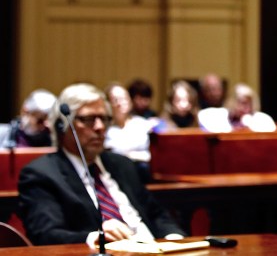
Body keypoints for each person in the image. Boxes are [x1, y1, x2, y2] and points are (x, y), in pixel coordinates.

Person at [17, 83, 186, 246]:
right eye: (89, 119)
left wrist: (174, 238)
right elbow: (46, 235)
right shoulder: (42, 174)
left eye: (104, 119)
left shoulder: (121, 164)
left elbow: (156, 214)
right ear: (62, 126)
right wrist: (96, 237)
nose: (99, 127)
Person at [104, 82, 156, 177]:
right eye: (115, 100)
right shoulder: (105, 129)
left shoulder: (143, 123)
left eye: (124, 98)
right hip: (116, 174)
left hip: (143, 173)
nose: (120, 103)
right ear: (108, 104)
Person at [198, 83, 277, 133]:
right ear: (231, 101)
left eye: (248, 104)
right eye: (241, 103)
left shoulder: (262, 119)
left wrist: (251, 125)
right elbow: (201, 116)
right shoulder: (216, 116)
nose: (244, 108)